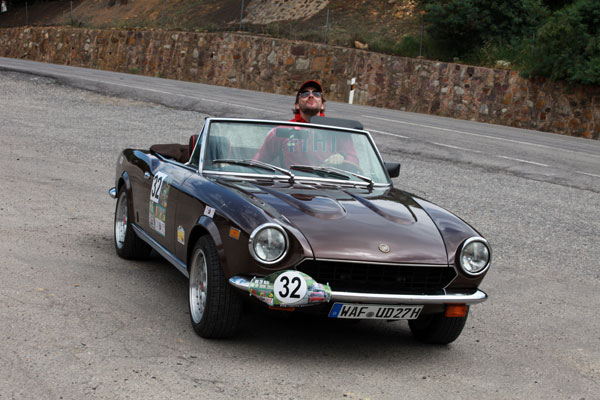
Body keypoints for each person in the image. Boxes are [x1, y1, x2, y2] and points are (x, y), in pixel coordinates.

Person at [254, 80, 357, 168]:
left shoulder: (337, 130)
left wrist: (342, 157)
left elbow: (354, 163)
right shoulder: (282, 130)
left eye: (316, 94)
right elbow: (258, 161)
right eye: (305, 94)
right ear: (297, 105)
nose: (311, 96)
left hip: (329, 182)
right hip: (293, 182)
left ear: (322, 105)